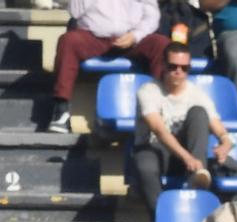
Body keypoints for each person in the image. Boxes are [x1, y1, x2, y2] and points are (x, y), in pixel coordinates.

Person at [127, 42, 237, 215]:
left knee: (199, 112)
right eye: (173, 66)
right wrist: (187, 157)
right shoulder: (148, 91)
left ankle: (197, 182)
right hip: (155, 149)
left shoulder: (196, 93)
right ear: (164, 66)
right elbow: (159, 130)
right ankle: (161, 219)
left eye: (184, 67)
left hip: (187, 156)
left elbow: (217, 124)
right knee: (145, 166)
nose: (178, 71)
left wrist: (225, 142)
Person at [46, 0, 161, 134]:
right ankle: (61, 111)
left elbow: (152, 16)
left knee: (161, 44)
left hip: (133, 39)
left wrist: (135, 35)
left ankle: (160, 109)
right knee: (68, 41)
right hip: (94, 37)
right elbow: (75, 12)